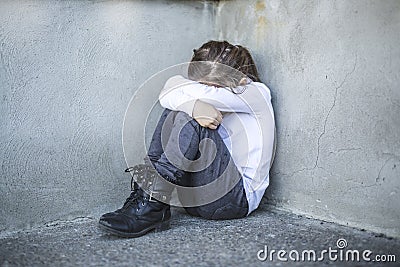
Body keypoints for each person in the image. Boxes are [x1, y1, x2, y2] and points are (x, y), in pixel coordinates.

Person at [98, 40, 276, 238]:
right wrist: (192, 105)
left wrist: (192, 106)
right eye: (200, 84)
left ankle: (151, 204)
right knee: (181, 108)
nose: (205, 89)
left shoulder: (256, 93)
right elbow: (169, 91)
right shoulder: (229, 90)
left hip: (234, 200)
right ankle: (149, 196)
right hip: (195, 198)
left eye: (212, 87)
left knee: (187, 113)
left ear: (241, 79)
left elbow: (172, 89)